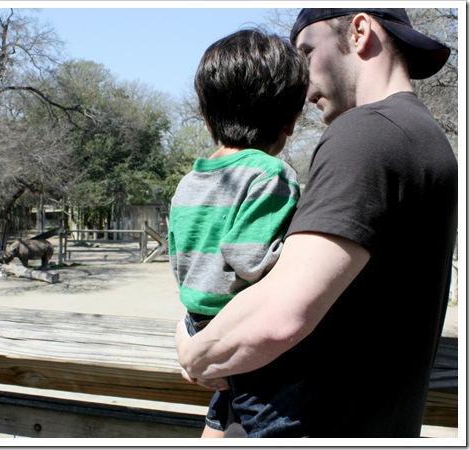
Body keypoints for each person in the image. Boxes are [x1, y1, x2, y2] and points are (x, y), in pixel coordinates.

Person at [175, 8, 457, 437]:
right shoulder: (425, 137)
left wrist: (192, 351)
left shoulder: (366, 134)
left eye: (307, 53)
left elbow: (279, 314)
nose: (302, 85)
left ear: (359, 31)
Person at [168, 28, 308, 437]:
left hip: (199, 323)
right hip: (242, 330)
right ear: (290, 121)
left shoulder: (189, 182)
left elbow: (179, 262)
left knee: (227, 411)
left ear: (207, 117)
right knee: (276, 419)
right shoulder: (271, 174)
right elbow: (251, 261)